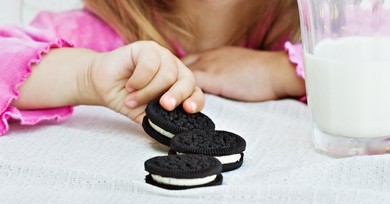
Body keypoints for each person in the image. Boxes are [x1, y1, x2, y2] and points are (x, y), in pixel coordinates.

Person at [0, 0, 305, 136]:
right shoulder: (97, 33)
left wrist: (281, 71)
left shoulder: (317, 28)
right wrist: (86, 75)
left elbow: (354, 72)